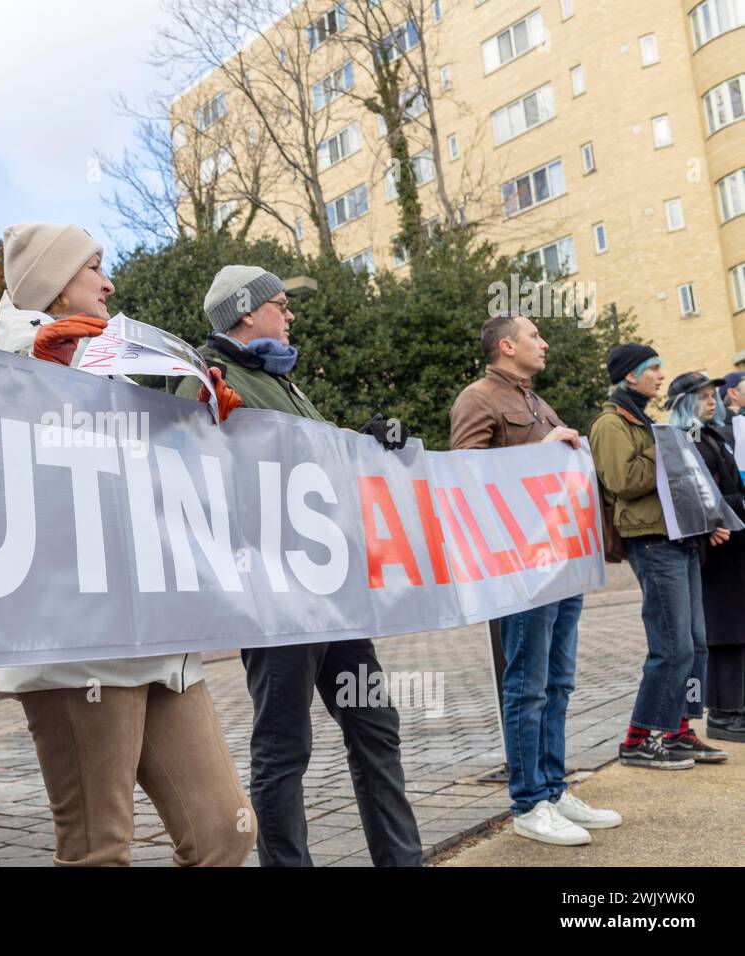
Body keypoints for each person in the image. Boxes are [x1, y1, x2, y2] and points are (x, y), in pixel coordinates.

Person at [0, 222, 255, 867]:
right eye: (93, 267)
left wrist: (204, 425)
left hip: (158, 634)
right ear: (51, 286)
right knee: (99, 850)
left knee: (226, 833)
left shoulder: (113, 361)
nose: (109, 282)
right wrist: (37, 384)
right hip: (77, 643)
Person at [170, 264, 423, 867]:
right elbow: (188, 479)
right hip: (275, 599)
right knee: (285, 748)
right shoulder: (207, 380)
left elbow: (319, 466)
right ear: (244, 313)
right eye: (281, 305)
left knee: (374, 726)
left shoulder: (283, 383)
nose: (291, 316)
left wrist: (372, 441)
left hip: (330, 592)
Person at [449, 313, 621, 846]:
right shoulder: (478, 399)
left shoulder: (535, 401)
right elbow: (463, 472)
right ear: (506, 345)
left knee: (559, 681)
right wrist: (543, 452)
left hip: (559, 561)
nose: (544, 344)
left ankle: (552, 787)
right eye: (534, 337)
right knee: (526, 685)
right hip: (518, 568)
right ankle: (528, 802)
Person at [588, 345, 728, 770]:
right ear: (631, 376)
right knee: (671, 646)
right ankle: (639, 737)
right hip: (650, 541)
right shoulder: (611, 423)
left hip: (679, 537)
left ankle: (679, 728)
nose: (660, 376)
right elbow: (622, 480)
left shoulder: (647, 420)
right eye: (653, 369)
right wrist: (665, 448)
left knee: (695, 645)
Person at [666, 372, 745, 743]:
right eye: (702, 396)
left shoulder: (712, 432)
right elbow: (699, 491)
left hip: (732, 539)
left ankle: (733, 707)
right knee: (725, 631)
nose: (711, 401)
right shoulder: (692, 436)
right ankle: (724, 712)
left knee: (735, 630)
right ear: (685, 403)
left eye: (713, 394)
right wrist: (730, 509)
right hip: (718, 542)